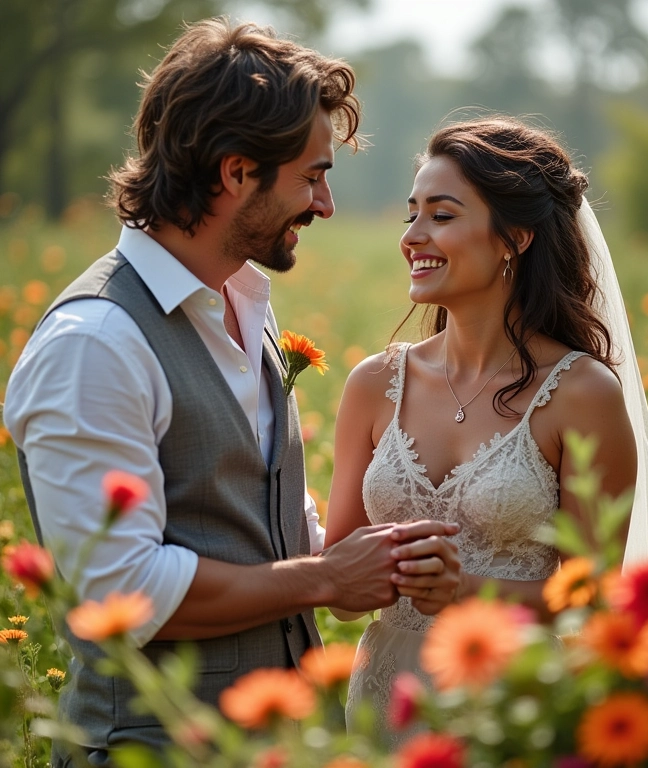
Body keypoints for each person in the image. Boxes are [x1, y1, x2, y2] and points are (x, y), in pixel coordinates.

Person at [2, 18, 457, 766]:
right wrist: (323, 578)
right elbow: (123, 591)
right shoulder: (96, 344)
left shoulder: (242, 302)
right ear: (237, 172)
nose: (325, 203)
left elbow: (251, 516)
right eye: (312, 176)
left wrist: (371, 559)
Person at [323, 115, 648, 743]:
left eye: (441, 215)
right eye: (411, 214)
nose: (412, 236)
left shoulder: (581, 393)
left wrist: (463, 588)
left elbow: (595, 596)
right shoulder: (373, 383)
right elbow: (342, 594)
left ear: (515, 237)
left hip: (515, 708)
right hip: (385, 705)